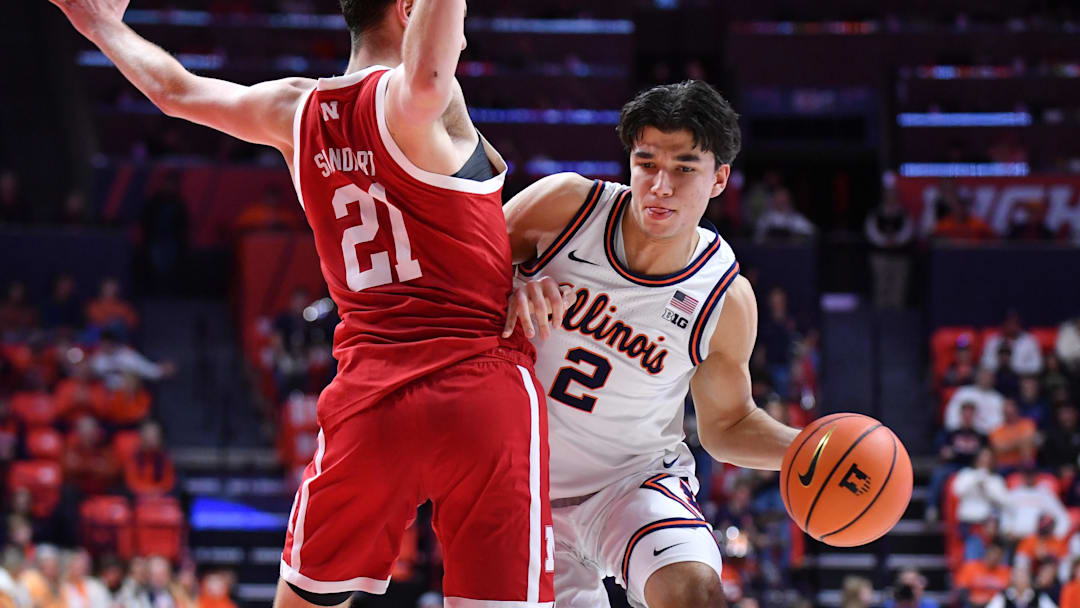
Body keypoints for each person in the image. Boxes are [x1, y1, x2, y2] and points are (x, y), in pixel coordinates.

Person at [49, 1, 554, 606]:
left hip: (371, 397)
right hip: (480, 383)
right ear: (409, 11)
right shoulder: (424, 99)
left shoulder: (292, 109)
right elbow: (424, 77)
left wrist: (98, 22)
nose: (462, 34)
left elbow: (173, 91)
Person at [503, 81, 800, 607]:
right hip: (516, 486)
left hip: (631, 483)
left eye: (685, 168)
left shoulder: (724, 297)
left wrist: (803, 450)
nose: (661, 185)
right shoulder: (566, 209)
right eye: (647, 164)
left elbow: (726, 425)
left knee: (695, 593)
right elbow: (448, 275)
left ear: (719, 179)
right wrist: (506, 284)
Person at [945, 368, 1007, 435]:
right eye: (983, 375)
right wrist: (956, 430)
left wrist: (984, 433)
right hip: (959, 433)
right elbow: (952, 413)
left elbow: (1000, 422)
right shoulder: (964, 392)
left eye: (988, 376)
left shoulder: (998, 398)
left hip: (988, 437)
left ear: (993, 379)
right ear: (977, 376)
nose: (985, 379)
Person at [982, 312, 1043, 377]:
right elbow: (985, 362)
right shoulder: (993, 340)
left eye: (1015, 323)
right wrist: (1000, 364)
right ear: (1004, 324)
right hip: (995, 377)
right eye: (1009, 323)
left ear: (1019, 325)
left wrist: (1014, 367)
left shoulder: (1030, 340)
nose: (1012, 327)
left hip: (1021, 378)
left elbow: (1037, 365)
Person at [956, 542, 1012, 608]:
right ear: (987, 552)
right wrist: (972, 602)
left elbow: (1009, 594)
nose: (995, 557)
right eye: (993, 553)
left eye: (999, 555)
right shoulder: (970, 567)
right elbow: (961, 591)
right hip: (972, 605)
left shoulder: (1006, 572)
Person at [985, 567, 1057, 608]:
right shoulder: (1003, 596)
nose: (1021, 580)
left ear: (1029, 579)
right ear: (1012, 579)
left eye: (1023, 576)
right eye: (1017, 577)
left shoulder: (1039, 596)